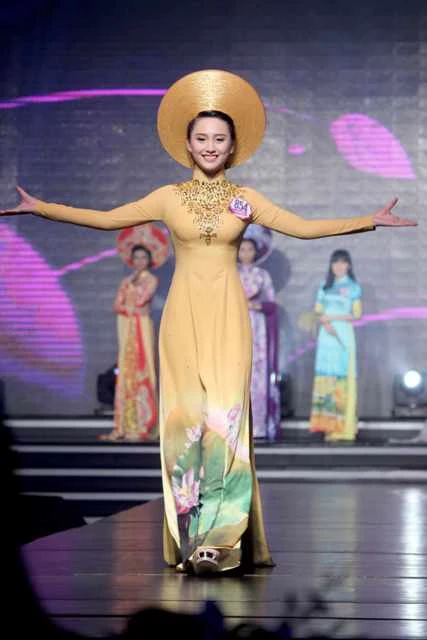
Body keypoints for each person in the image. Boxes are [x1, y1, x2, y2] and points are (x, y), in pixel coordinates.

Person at [0, 69, 416, 576]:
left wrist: (368, 220)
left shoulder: (246, 198)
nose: (211, 146)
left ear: (233, 145)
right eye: (202, 138)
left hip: (228, 317)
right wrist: (42, 209)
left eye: (220, 139)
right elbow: (108, 218)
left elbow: (303, 228)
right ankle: (191, 535)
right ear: (188, 144)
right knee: (184, 424)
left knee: (226, 420)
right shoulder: (168, 196)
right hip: (180, 319)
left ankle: (222, 541)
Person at [99, 240, 160, 442]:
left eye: (143, 257)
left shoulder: (151, 279)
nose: (140, 261)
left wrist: (129, 302)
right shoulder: (126, 281)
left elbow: (142, 300)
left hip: (142, 328)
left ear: (149, 260)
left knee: (143, 369)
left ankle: (144, 424)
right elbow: (117, 306)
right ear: (131, 260)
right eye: (136, 257)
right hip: (128, 328)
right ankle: (125, 424)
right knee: (127, 372)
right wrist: (129, 306)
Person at [309, 250, 362, 442]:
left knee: (341, 376)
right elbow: (317, 311)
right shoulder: (324, 286)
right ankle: (328, 426)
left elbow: (357, 315)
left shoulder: (353, 287)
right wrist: (324, 322)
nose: (339, 266)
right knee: (326, 376)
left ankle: (343, 428)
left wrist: (332, 317)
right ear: (331, 266)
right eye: (335, 263)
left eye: (343, 262)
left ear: (348, 265)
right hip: (326, 335)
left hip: (343, 334)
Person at [238, 236, 280, 440]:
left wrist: (255, 305)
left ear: (256, 252)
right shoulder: (230, 274)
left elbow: (271, 303)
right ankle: (235, 427)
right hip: (235, 324)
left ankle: (258, 426)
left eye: (249, 249)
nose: (246, 253)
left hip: (257, 326)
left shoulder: (263, 275)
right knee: (236, 371)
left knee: (257, 373)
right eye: (242, 249)